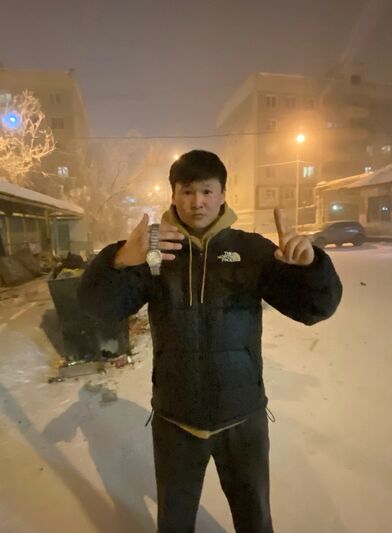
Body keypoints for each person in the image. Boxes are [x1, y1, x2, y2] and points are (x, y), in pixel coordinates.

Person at [78, 150, 342, 533]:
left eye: (206, 191)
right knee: (175, 522)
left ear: (222, 195)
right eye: (187, 191)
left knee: (255, 520)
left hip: (243, 416)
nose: (196, 202)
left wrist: (311, 267)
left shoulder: (251, 250)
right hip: (175, 418)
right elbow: (100, 307)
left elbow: (315, 308)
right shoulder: (155, 251)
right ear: (173, 195)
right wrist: (118, 260)